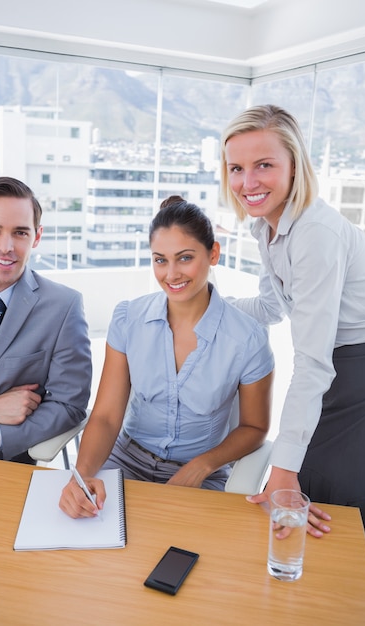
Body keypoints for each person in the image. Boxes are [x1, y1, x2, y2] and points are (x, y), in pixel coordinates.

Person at [59, 195, 274, 518]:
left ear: (213, 253)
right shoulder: (129, 319)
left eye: (185, 258)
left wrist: (202, 466)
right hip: (126, 461)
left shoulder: (247, 338)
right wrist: (83, 475)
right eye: (161, 260)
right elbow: (105, 416)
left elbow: (255, 426)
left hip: (201, 472)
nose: (171, 274)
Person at [220, 103, 365, 550]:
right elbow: (270, 306)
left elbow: (311, 362)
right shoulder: (265, 227)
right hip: (339, 364)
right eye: (236, 168)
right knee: (308, 487)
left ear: (294, 166)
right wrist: (205, 304)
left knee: (333, 494)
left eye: (264, 165)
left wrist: (283, 469)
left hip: (361, 364)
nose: (248, 183)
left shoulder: (314, 234)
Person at [0, 176, 92, 463]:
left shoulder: (64, 306)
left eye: (19, 233)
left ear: (37, 237)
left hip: (8, 463)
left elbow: (70, 405)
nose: (6, 247)